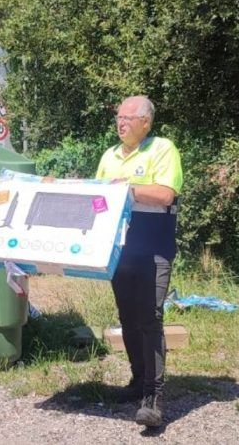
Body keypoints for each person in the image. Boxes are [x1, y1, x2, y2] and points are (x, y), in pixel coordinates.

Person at [95, 95, 183, 427]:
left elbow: (164, 194)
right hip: (120, 248)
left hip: (154, 247)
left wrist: (125, 189)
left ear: (145, 122)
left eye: (128, 117)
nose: (121, 123)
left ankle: (154, 397)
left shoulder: (162, 149)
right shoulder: (109, 155)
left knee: (150, 318)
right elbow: (98, 199)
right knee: (129, 318)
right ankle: (137, 381)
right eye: (118, 117)